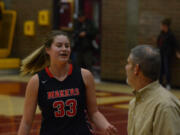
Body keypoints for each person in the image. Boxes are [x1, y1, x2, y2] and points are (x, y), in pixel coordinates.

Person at [18, 30, 117, 135]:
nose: (64, 49)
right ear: (48, 49)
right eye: (59, 45)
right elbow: (26, 122)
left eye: (67, 46)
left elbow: (94, 113)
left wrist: (106, 125)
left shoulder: (84, 75)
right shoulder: (37, 81)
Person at [125, 45, 180, 135]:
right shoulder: (134, 103)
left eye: (128, 63)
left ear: (136, 69)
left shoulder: (164, 106)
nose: (126, 67)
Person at [157, 18, 180, 90]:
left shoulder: (170, 35)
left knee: (167, 70)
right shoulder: (161, 34)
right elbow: (158, 43)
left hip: (167, 55)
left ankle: (168, 84)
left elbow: (175, 44)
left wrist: (177, 52)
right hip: (161, 53)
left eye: (162, 25)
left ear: (165, 26)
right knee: (160, 70)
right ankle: (159, 83)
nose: (161, 27)